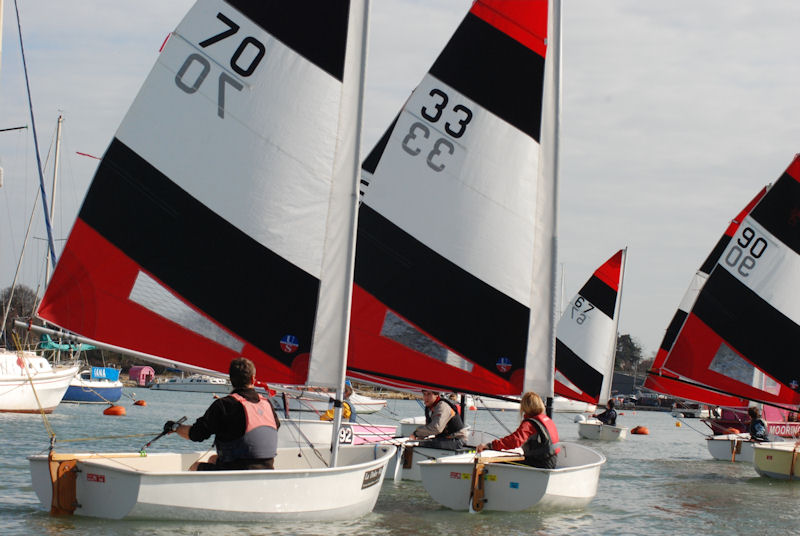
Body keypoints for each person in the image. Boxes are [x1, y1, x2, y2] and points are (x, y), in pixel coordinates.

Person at [164, 357, 281, 470]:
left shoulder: (223, 405)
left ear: (231, 380)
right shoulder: (267, 404)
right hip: (267, 468)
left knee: (195, 467)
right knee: (213, 459)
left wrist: (175, 427)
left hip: (236, 472)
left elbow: (196, 434)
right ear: (253, 379)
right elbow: (276, 426)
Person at [476, 391, 560, 469]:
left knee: (494, 464)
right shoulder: (547, 420)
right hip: (550, 461)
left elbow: (515, 440)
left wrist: (490, 446)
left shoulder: (529, 424)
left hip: (539, 464)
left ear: (525, 407)